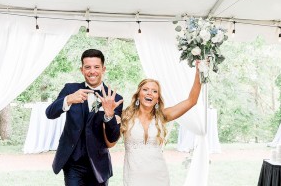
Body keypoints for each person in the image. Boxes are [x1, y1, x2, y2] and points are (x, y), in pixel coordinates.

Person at [45, 49, 124, 186]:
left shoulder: (115, 98)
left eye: (96, 67)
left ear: (103, 69)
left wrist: (109, 115)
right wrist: (68, 99)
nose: (92, 71)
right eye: (87, 67)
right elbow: (50, 113)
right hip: (73, 163)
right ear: (82, 70)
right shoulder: (70, 89)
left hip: (99, 163)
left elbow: (112, 137)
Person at [120, 62, 202, 186]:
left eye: (154, 91)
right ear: (138, 95)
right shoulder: (125, 116)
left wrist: (199, 72)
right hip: (134, 177)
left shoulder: (162, 116)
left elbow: (191, 101)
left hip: (159, 176)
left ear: (157, 99)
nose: (149, 93)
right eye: (145, 89)